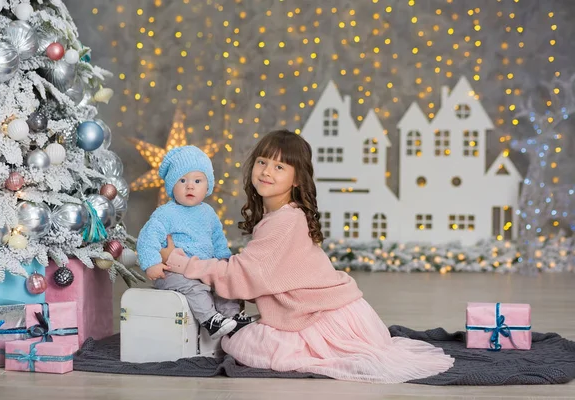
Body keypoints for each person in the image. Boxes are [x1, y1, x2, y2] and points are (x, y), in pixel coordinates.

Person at [158, 130, 454, 382]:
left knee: (239, 343)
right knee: (242, 334)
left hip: (323, 317)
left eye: (279, 167)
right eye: (262, 162)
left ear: (297, 179)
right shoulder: (282, 215)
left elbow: (242, 274)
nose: (266, 172)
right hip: (339, 310)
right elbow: (254, 269)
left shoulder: (285, 221)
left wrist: (182, 262)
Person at [137, 145, 251, 339]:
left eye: (197, 181)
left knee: (223, 284)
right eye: (182, 180)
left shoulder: (208, 213)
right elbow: (148, 237)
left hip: (202, 269)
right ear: (172, 186)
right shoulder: (166, 213)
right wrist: (151, 263)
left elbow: (217, 239)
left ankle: (232, 316)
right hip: (174, 274)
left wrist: (223, 259)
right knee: (193, 288)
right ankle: (210, 320)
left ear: (207, 186)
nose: (190, 186)